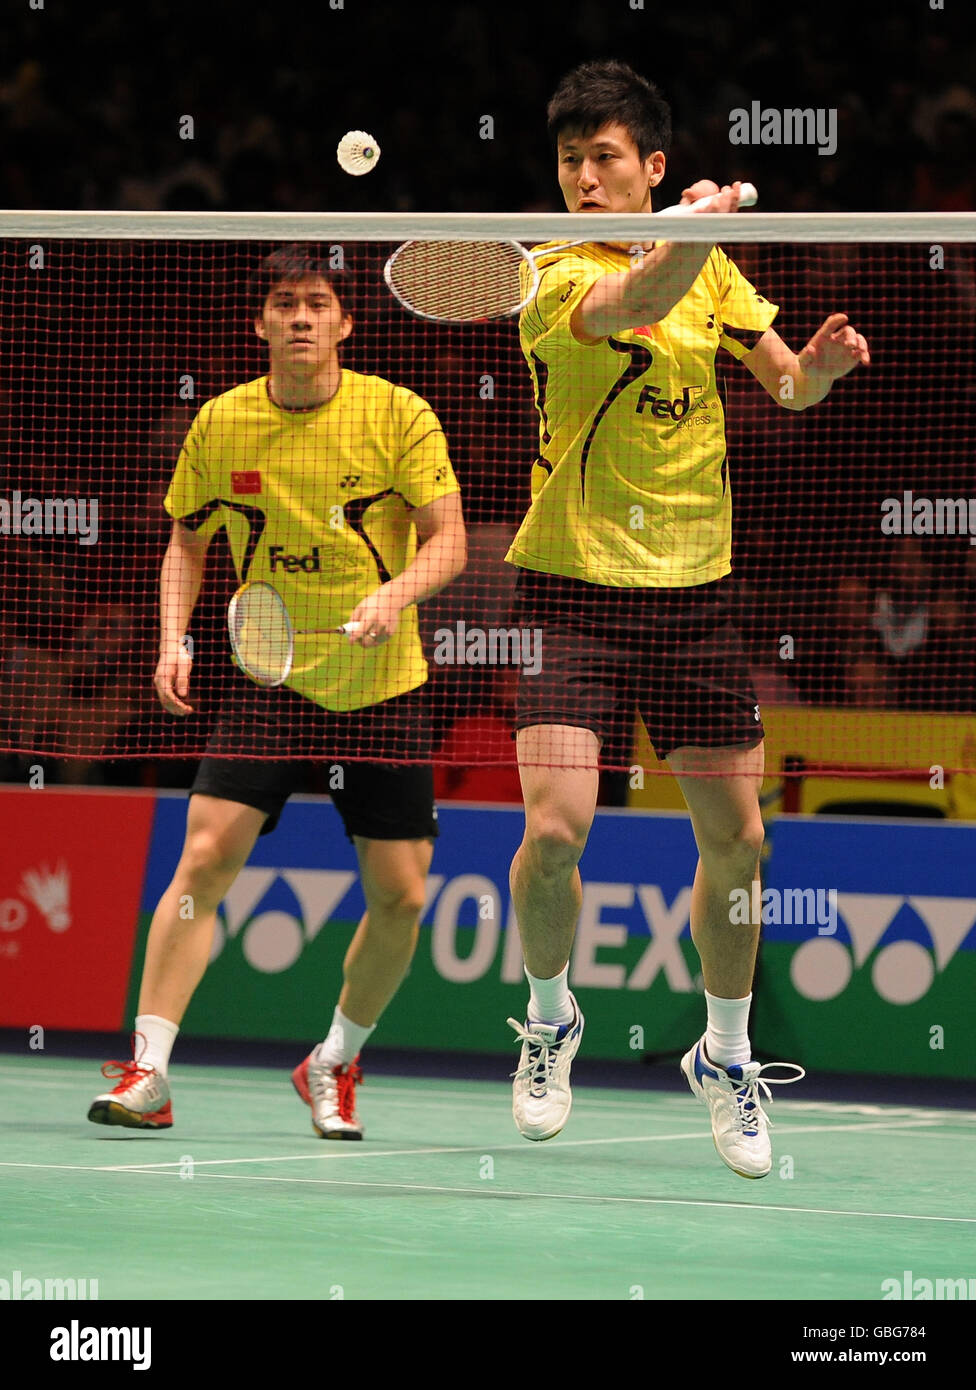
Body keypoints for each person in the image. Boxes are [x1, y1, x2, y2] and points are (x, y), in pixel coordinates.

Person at [505, 62, 869, 1178]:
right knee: (556, 832)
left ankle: (723, 1054)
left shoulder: (706, 272)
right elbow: (635, 303)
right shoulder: (550, 269)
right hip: (569, 588)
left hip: (695, 595)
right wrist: (691, 239)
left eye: (604, 157)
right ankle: (549, 1018)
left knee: (741, 843)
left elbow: (783, 387)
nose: (582, 177)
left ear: (652, 166)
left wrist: (814, 369)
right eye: (569, 160)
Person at [88, 245, 466, 1139]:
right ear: (259, 322)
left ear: (344, 323)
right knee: (204, 859)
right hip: (273, 678)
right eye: (284, 303)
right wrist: (173, 637)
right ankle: (149, 1069)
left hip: (383, 684)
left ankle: (333, 1059)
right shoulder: (221, 424)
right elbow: (185, 541)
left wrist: (392, 595)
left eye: (317, 303)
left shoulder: (398, 414)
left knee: (404, 896)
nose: (300, 317)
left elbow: (446, 540)